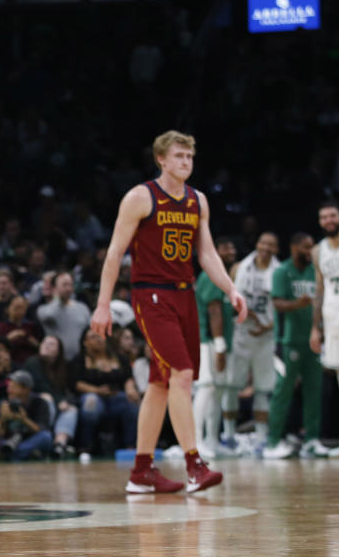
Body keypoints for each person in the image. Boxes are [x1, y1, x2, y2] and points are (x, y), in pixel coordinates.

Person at [91, 130, 247, 494]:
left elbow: (206, 254)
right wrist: (103, 304)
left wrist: (231, 288)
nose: (185, 163)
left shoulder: (198, 201)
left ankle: (142, 472)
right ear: (161, 159)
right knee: (183, 373)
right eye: (178, 156)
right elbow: (114, 253)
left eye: (190, 157)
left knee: (161, 385)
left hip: (184, 295)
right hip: (151, 296)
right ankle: (195, 465)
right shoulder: (140, 197)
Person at [264, 233, 326, 458]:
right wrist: (296, 304)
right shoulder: (282, 271)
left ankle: (312, 439)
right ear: (293, 247)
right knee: (283, 392)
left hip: (312, 341)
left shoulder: (315, 271)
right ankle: (272, 443)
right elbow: (277, 303)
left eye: (312, 247)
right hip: (287, 341)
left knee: (314, 391)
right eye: (305, 247)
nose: (310, 251)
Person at [225, 232, 280, 450]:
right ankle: (228, 435)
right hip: (242, 334)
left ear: (276, 249)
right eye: (263, 242)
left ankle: (261, 437)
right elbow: (229, 301)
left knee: (263, 388)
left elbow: (282, 303)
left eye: (271, 244)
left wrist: (269, 325)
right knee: (231, 385)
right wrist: (252, 318)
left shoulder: (279, 271)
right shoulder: (239, 268)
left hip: (267, 335)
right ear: (256, 243)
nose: (266, 247)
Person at [192, 237, 236, 460]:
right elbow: (214, 311)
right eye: (226, 247)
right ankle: (196, 443)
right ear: (214, 250)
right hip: (207, 341)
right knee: (206, 388)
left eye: (232, 247)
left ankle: (212, 440)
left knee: (217, 391)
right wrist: (220, 345)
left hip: (218, 341)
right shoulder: (211, 274)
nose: (232, 250)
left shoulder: (223, 274)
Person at [311, 201, 339, 457]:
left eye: (332, 215)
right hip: (333, 320)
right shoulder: (317, 251)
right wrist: (316, 328)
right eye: (323, 217)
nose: (328, 220)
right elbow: (319, 290)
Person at [71, 328, 139, 454]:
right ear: (85, 342)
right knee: (91, 402)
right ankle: (85, 447)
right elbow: (77, 383)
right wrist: (97, 390)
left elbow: (128, 378)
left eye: (100, 336)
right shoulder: (79, 359)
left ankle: (131, 447)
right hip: (92, 395)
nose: (98, 339)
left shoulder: (119, 358)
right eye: (93, 337)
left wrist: (130, 390)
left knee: (130, 403)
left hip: (116, 396)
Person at [0, 369, 53, 461]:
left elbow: (40, 429)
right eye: (9, 387)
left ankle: (7, 454)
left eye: (13, 387)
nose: (8, 390)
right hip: (7, 441)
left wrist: (24, 419)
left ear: (26, 389)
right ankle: (22, 454)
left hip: (27, 440)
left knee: (46, 437)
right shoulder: (6, 403)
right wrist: (2, 419)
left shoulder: (39, 403)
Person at [25, 335, 77, 457]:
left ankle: (59, 443)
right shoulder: (33, 362)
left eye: (51, 344)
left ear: (59, 351)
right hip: (34, 402)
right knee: (46, 399)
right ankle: (44, 440)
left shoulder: (64, 367)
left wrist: (66, 401)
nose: (46, 345)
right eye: (44, 342)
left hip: (56, 403)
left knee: (72, 410)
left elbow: (70, 391)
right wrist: (59, 400)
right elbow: (41, 387)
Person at [37, 272, 91, 362]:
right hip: (56, 361)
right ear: (54, 288)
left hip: (80, 360)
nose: (68, 288)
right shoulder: (43, 309)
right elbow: (49, 315)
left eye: (70, 285)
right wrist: (57, 298)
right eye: (64, 285)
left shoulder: (82, 307)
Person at [0, 295, 42, 365]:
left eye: (21, 307)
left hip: (29, 362)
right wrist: (8, 338)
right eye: (15, 307)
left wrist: (28, 339)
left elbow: (39, 346)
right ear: (8, 309)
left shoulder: (32, 326)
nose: (18, 311)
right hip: (8, 362)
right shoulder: (1, 326)